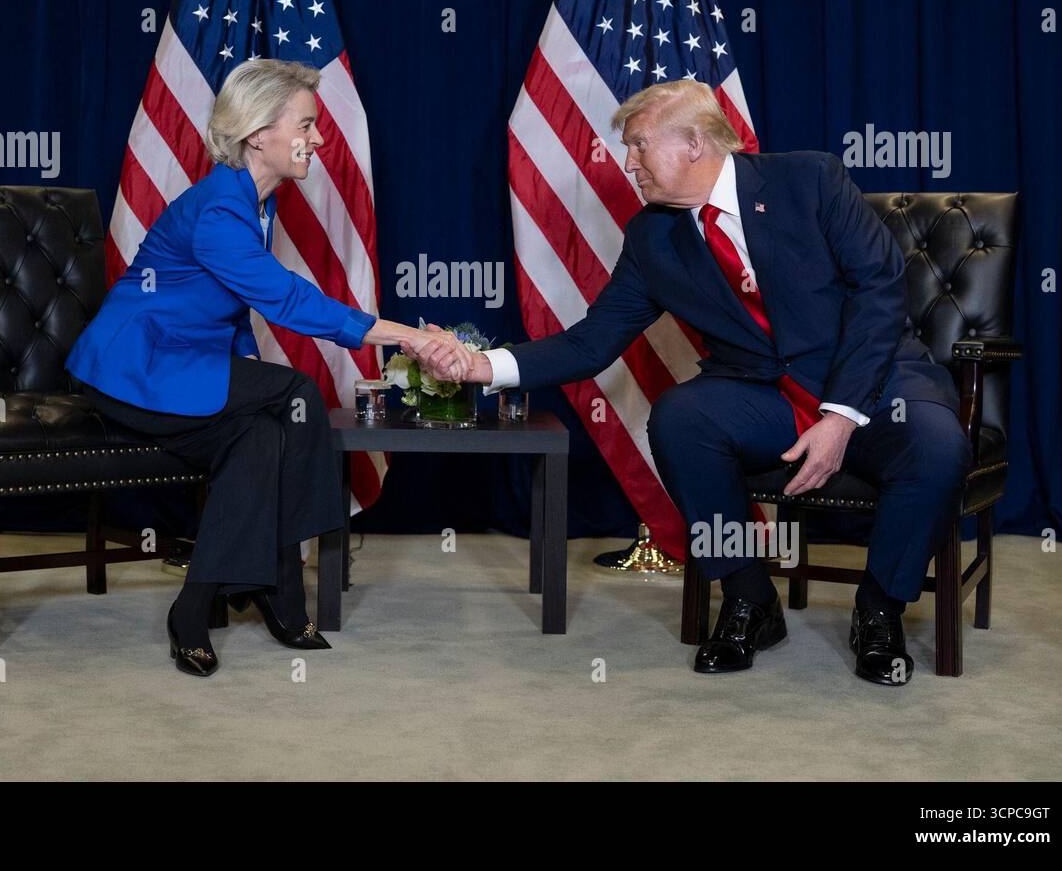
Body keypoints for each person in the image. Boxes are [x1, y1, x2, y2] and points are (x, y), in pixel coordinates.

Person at [411, 80, 970, 686]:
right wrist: (480, 365)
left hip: (873, 382)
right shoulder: (654, 237)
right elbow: (590, 342)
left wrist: (840, 416)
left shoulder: (810, 181)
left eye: (640, 146)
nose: (628, 163)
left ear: (696, 143)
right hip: (765, 397)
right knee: (681, 417)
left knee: (938, 446)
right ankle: (749, 600)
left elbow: (879, 291)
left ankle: (880, 611)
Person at [67, 59, 468, 677]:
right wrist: (409, 338)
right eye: (306, 124)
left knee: (260, 436)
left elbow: (232, 320)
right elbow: (285, 299)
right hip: (130, 374)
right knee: (297, 391)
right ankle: (283, 582)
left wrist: (250, 371)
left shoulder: (254, 204)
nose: (320, 139)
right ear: (258, 133)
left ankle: (193, 608)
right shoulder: (219, 212)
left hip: (184, 368)